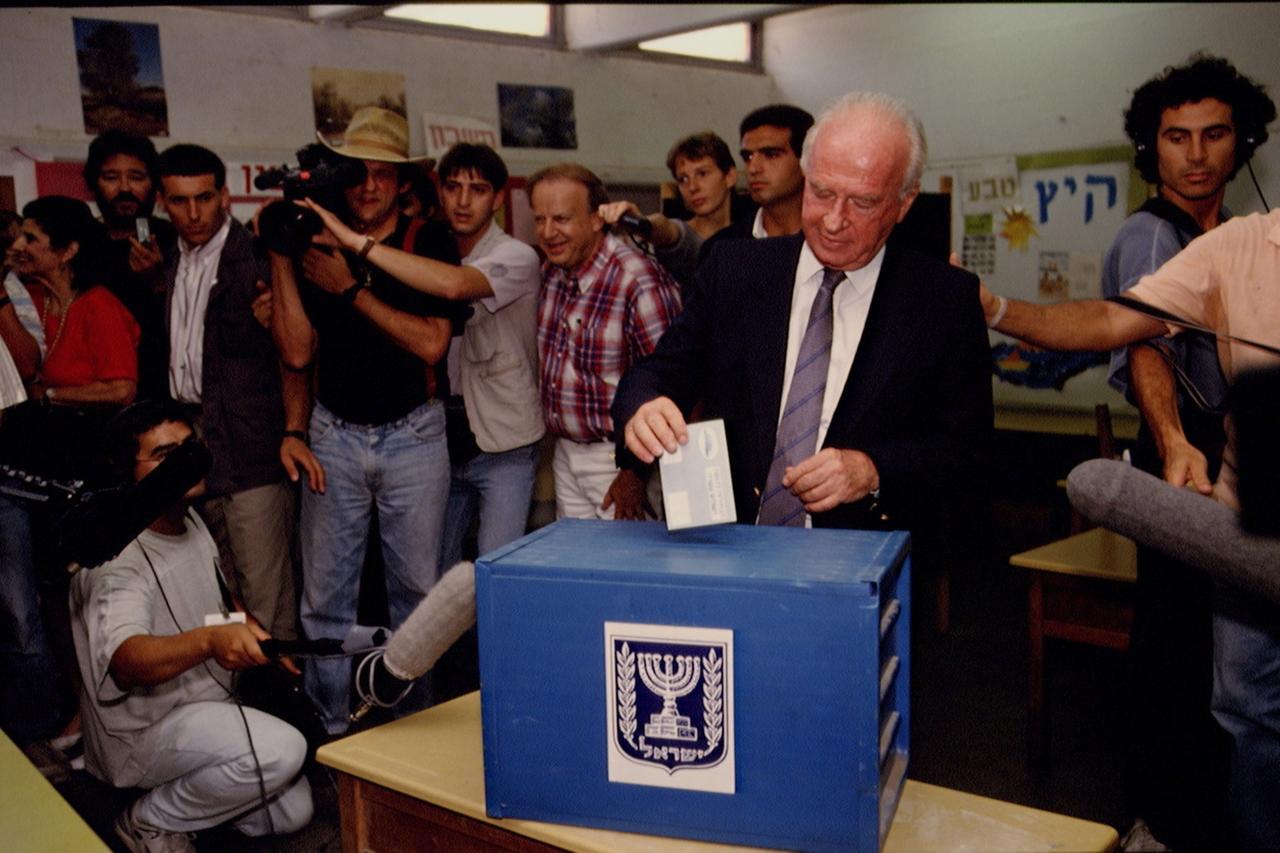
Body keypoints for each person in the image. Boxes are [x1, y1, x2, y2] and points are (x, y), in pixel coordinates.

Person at [980, 206, 1280, 850]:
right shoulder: (1242, 243)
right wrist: (996, 308)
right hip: (1248, 530)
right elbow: (1112, 318)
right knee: (1247, 718)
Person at [614, 92, 991, 562]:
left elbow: (969, 454)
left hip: (859, 561)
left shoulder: (943, 300)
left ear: (904, 202)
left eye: (863, 202)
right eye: (823, 192)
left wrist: (872, 470)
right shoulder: (735, 270)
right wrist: (644, 406)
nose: (834, 221)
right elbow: (659, 371)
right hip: (725, 550)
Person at [1101, 53, 1274, 851]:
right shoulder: (1147, 235)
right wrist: (1175, 445)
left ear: (1241, 143)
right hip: (1183, 460)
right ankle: (1163, 823)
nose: (1197, 154)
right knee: (1176, 652)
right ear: (1151, 148)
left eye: (1213, 135)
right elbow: (1147, 353)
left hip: (1249, 460)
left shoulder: (1248, 238)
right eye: (1177, 137)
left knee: (1238, 665)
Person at [270, 107, 463, 734]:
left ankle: (414, 732)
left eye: (383, 173)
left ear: (403, 181)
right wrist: (281, 251)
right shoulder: (312, 237)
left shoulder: (426, 242)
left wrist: (352, 287)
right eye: (357, 172)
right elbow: (297, 352)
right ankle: (331, 728)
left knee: (419, 599)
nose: (369, 186)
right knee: (324, 600)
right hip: (333, 433)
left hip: (414, 433)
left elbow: (432, 345)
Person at [68, 400, 312, 853]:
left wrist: (250, 629)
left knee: (294, 811)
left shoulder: (185, 516)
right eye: (165, 455)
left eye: (189, 447)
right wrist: (209, 641)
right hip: (139, 735)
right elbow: (125, 662)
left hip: (200, 709)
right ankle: (144, 820)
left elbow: (217, 592)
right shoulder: (115, 558)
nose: (185, 461)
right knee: (281, 751)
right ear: (129, 474)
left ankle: (193, 802)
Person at [300, 142, 542, 567]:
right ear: (438, 190)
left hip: (502, 442)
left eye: (479, 189)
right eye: (452, 187)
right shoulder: (423, 244)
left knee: (495, 570)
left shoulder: (515, 255)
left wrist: (356, 244)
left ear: (499, 198)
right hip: (439, 436)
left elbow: (452, 286)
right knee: (437, 579)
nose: (463, 201)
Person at [157, 143, 302, 641]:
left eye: (204, 197)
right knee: (215, 594)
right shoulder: (166, 258)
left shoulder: (259, 258)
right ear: (162, 201)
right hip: (191, 447)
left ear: (224, 195)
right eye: (179, 201)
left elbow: (301, 356)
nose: (194, 213)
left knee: (268, 600)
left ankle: (283, 708)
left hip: (253, 449)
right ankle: (237, 710)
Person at [530, 163, 681, 521]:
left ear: (598, 219)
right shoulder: (553, 272)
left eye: (562, 219)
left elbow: (672, 385)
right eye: (539, 220)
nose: (548, 232)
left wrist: (634, 472)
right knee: (577, 572)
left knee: (629, 574)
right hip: (566, 455)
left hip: (622, 461)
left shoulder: (637, 279)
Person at [9, 196, 139, 480]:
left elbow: (121, 390)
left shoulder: (99, 305)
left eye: (30, 238)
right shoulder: (25, 299)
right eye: (19, 236)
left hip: (89, 459)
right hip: (32, 458)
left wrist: (49, 396)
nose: (18, 246)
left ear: (67, 251)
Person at [84, 130, 177, 401]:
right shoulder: (79, 244)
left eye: (136, 177)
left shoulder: (176, 240)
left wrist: (159, 282)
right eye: (111, 177)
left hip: (163, 395)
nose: (125, 188)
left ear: (154, 184)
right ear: (93, 182)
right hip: (95, 397)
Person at [597, 131, 745, 294]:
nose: (693, 187)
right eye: (683, 179)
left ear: (730, 176)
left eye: (702, 174)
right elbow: (667, 229)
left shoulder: (750, 233)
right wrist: (642, 223)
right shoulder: (684, 237)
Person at [698, 104, 814, 260]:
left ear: (806, 162)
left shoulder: (834, 243)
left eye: (771, 155)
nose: (753, 169)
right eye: (748, 157)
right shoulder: (722, 248)